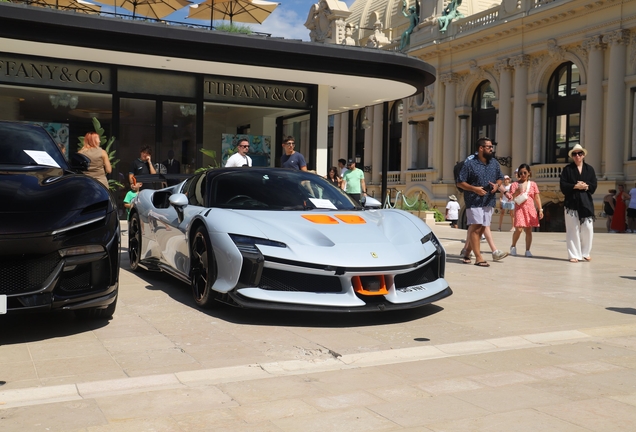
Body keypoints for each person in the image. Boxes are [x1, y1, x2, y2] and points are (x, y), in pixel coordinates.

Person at [457, 137, 505, 267]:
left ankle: (467, 252)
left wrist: (496, 185)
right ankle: (478, 257)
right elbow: (460, 182)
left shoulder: (494, 163)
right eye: (489, 147)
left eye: (491, 147)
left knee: (483, 226)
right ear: (481, 148)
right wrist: (474, 189)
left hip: (489, 200)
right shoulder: (470, 163)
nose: (491, 149)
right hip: (473, 200)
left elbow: (500, 177)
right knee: (475, 226)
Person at [559, 144, 597, 263]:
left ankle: (585, 252)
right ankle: (574, 254)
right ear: (572, 156)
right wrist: (575, 186)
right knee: (572, 229)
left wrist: (585, 186)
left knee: (588, 227)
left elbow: (594, 184)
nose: (577, 156)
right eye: (575, 154)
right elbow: (563, 185)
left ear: (583, 155)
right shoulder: (567, 169)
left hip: (585, 202)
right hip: (571, 202)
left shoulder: (589, 169)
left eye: (579, 153)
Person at [506, 164, 543, 257]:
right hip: (519, 208)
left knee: (529, 230)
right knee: (518, 229)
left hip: (530, 209)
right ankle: (513, 246)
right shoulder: (514, 184)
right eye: (521, 173)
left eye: (525, 172)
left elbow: (537, 197)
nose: (523, 174)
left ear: (529, 173)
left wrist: (540, 209)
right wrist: (516, 192)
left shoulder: (533, 184)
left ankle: (527, 250)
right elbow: (510, 198)